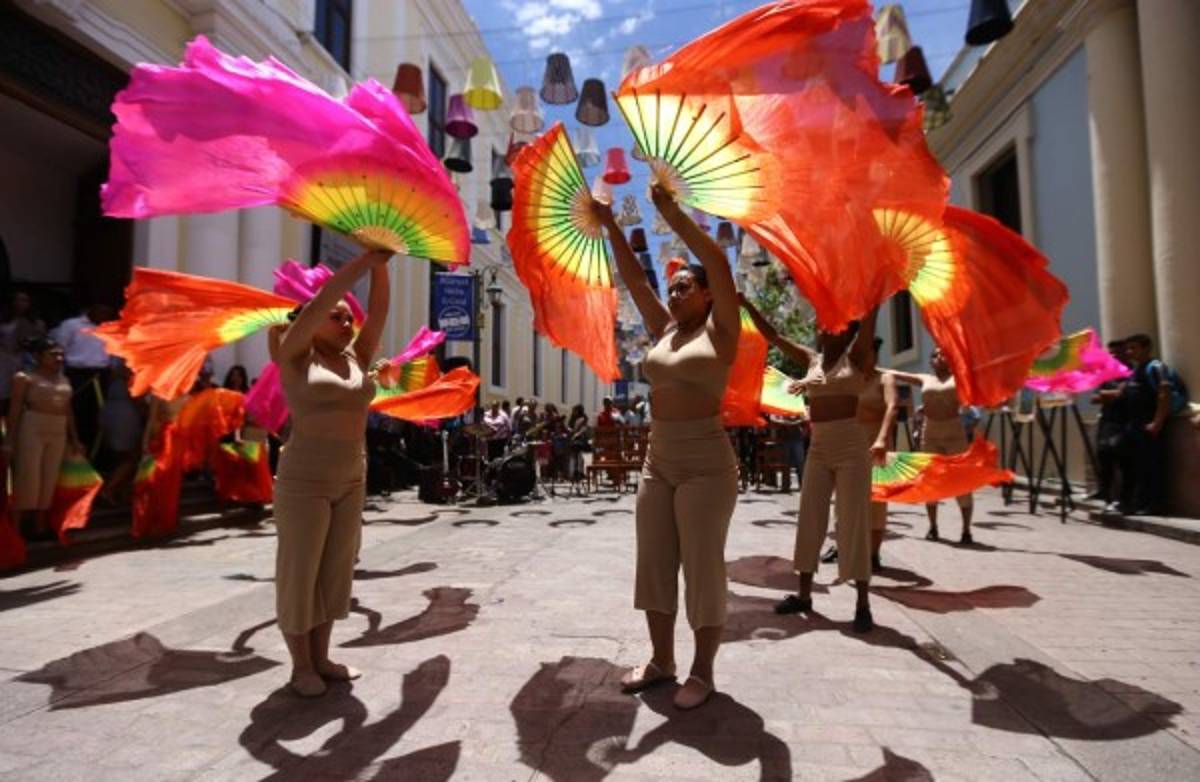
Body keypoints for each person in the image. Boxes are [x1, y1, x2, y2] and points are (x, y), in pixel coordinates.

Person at [592, 183, 741, 710]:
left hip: (706, 462)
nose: (674, 295)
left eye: (684, 287)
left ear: (708, 294)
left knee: (702, 567)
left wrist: (671, 213)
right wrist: (611, 223)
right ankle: (662, 660)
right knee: (654, 562)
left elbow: (716, 260)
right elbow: (635, 279)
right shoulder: (663, 331)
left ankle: (703, 671)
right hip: (659, 459)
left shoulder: (721, 331)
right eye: (672, 289)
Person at [270, 248, 391, 697]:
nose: (345, 323)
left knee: (336, 571)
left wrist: (383, 265)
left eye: (347, 318)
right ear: (311, 322)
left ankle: (322, 657)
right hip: (305, 478)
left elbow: (379, 311)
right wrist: (363, 261)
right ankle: (300, 665)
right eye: (335, 317)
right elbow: (323, 300)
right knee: (300, 571)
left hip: (352, 476)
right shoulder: (296, 355)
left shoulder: (357, 356)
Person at [741, 296, 879, 632]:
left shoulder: (856, 355)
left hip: (851, 446)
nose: (826, 328)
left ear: (847, 332)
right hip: (818, 447)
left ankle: (862, 604)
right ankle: (803, 595)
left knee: (853, 523)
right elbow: (773, 336)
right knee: (809, 518)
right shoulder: (811, 359)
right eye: (825, 323)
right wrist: (745, 303)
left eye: (836, 324)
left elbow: (871, 313)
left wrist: (875, 285)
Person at [890, 349, 974, 543]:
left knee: (961, 481)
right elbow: (898, 374)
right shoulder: (924, 379)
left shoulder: (958, 378)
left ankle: (966, 530)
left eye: (942, 354)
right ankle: (933, 527)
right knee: (929, 481)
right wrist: (872, 368)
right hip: (931, 434)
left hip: (954, 433)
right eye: (934, 355)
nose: (938, 357)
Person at [5, 337, 80, 540]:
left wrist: (75, 438)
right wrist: (9, 440)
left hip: (58, 428)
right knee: (28, 476)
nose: (59, 358)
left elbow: (68, 410)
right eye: (53, 354)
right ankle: (17, 528)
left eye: (61, 354)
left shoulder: (64, 379)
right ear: (39, 357)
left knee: (50, 477)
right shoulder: (24, 377)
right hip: (32, 425)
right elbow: (14, 410)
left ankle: (40, 526)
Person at [1117, 334, 1175, 515]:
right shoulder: (1135, 371)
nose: (1129, 352)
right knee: (1134, 465)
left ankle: (1154, 505)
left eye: (1133, 347)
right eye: (1128, 348)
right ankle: (1136, 503)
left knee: (1151, 466)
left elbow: (1164, 394)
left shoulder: (1156, 367)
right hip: (1133, 427)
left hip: (1148, 427)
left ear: (1147, 348)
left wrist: (1157, 422)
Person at [52, 304, 115, 457]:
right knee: (76, 413)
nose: (104, 315)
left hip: (102, 374)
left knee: (97, 416)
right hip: (77, 374)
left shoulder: (110, 327)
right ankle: (72, 450)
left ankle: (93, 453)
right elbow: (59, 349)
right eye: (102, 311)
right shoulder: (71, 325)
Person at [98, 359, 144, 505]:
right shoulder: (131, 380)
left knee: (123, 457)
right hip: (125, 418)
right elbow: (137, 400)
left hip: (110, 414)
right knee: (131, 457)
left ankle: (122, 493)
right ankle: (108, 489)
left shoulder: (114, 379)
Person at [1089, 339, 1128, 507]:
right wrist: (1112, 394)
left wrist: (1108, 395)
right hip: (1107, 422)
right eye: (1111, 353)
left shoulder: (1131, 372)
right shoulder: (1108, 374)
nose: (1114, 356)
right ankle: (1104, 494)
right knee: (1103, 457)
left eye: (1118, 352)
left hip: (1124, 422)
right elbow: (1094, 398)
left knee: (1123, 461)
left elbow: (1125, 394)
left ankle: (1122, 499)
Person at [0, 291, 47, 416]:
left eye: (25, 300)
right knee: (4, 393)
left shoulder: (36, 323)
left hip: (25, 360)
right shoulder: (4, 320)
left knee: (24, 394)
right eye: (18, 299)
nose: (21, 303)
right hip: (4, 359)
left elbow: (41, 344)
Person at [567, 403, 590, 481]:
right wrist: (570, 431)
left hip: (581, 439)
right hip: (573, 439)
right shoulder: (572, 419)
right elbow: (569, 427)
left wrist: (577, 434)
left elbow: (584, 428)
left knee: (580, 456)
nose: (573, 412)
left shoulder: (583, 418)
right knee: (573, 456)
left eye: (575, 410)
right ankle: (573, 472)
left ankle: (580, 472)